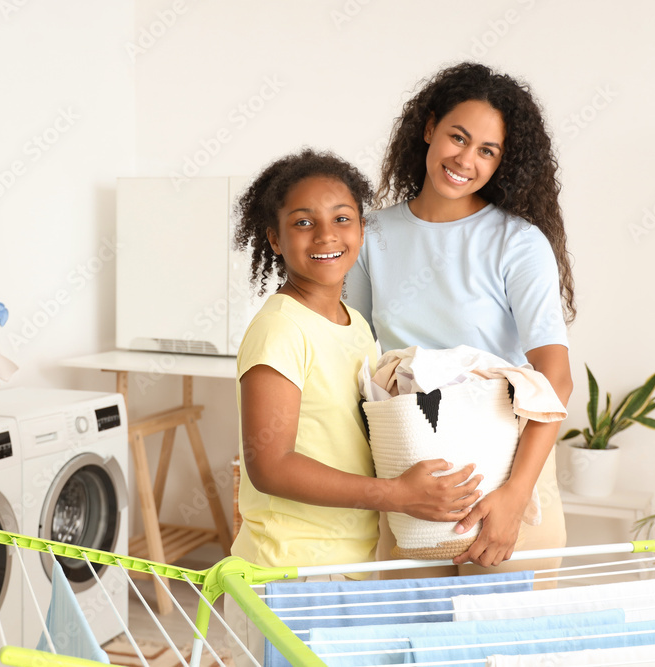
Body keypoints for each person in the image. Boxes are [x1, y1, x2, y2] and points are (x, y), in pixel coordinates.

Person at [226, 148, 481, 662]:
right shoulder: (281, 327)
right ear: (274, 238)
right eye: (303, 223)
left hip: (345, 567)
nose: (326, 236)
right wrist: (397, 496)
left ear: (361, 230)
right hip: (290, 571)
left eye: (342, 219)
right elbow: (269, 466)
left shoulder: (355, 324)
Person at [345, 62, 575, 577]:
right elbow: (354, 357)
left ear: (501, 163)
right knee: (408, 652)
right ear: (429, 129)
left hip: (509, 474)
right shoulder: (371, 235)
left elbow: (555, 377)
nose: (465, 160)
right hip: (413, 478)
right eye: (457, 137)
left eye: (486, 151)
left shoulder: (517, 242)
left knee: (507, 654)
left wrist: (516, 496)